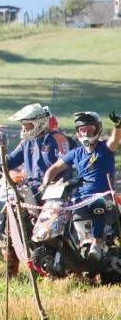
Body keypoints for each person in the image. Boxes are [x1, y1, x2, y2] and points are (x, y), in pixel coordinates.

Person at [1, 103, 73, 276]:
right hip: (31, 188)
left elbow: (66, 161)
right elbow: (13, 158)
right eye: (23, 125)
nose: (25, 129)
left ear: (39, 122)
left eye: (28, 125)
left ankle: (58, 264)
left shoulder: (57, 138)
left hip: (54, 189)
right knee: (11, 219)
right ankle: (11, 269)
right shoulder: (26, 141)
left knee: (51, 229)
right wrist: (0, 163)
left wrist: (56, 180)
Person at [42, 111, 121, 260]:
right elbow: (54, 168)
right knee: (66, 214)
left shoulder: (105, 148)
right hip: (80, 197)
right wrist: (46, 183)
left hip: (103, 195)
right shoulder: (76, 153)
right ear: (78, 132)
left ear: (98, 130)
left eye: (90, 130)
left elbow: (115, 139)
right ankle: (74, 247)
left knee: (97, 204)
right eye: (82, 130)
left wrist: (118, 126)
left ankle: (97, 242)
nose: (86, 133)